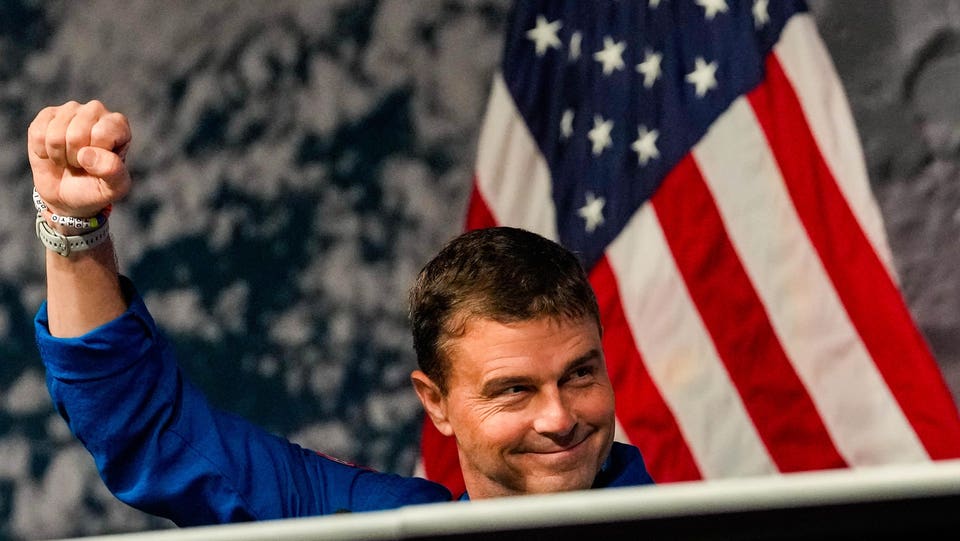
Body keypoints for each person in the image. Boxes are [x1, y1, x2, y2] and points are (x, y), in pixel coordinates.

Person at [30, 100, 654, 527]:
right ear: (435, 402)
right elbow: (152, 432)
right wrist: (73, 226)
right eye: (514, 390)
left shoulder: (717, 523)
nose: (559, 417)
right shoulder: (371, 526)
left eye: (579, 375)